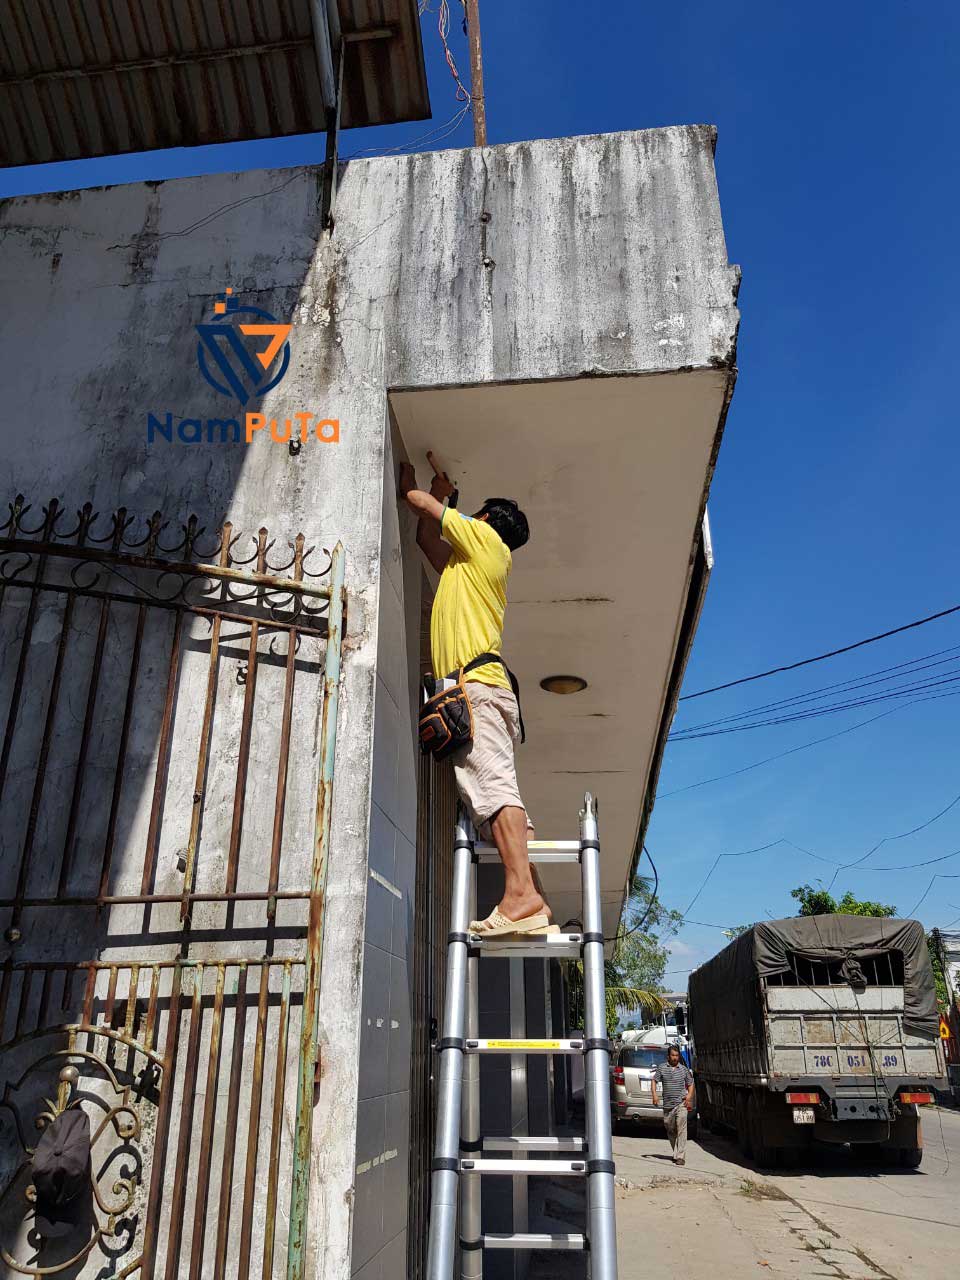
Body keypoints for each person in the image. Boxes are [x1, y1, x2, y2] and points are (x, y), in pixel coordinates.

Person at [400, 451, 552, 938]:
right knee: (491, 788)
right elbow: (428, 537)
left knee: (493, 789)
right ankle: (531, 897)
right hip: (474, 688)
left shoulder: (488, 542)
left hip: (477, 687)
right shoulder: (466, 566)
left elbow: (419, 505)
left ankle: (522, 898)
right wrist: (440, 495)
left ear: (485, 520)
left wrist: (420, 483)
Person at [651, 1043, 695, 1166]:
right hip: (667, 1105)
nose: (675, 1057)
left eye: (677, 1055)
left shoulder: (683, 1069)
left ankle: (680, 1156)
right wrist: (654, 1095)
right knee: (670, 1129)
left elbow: (691, 1083)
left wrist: (689, 1096)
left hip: (681, 1104)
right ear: (668, 1056)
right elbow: (654, 1081)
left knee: (681, 1128)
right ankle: (675, 1152)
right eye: (673, 1055)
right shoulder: (662, 1068)